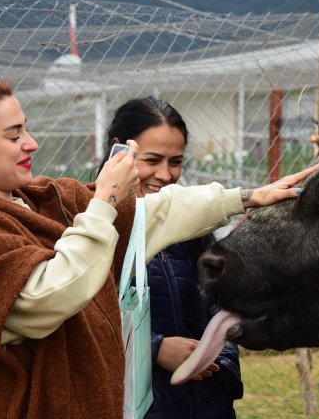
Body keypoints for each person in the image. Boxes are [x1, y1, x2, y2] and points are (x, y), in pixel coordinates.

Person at [0, 66, 319, 418]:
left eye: (26, 129)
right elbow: (49, 296)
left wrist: (246, 197)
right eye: (13, 136)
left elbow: (152, 214)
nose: (31, 143)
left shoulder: (46, 199)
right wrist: (104, 201)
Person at [99, 96, 235, 418]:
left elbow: (222, 302)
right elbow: (84, 313)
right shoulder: (92, 226)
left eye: (175, 162)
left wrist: (220, 360)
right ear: (119, 150)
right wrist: (155, 348)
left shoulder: (193, 229)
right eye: (152, 160)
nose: (165, 174)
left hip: (205, 403)